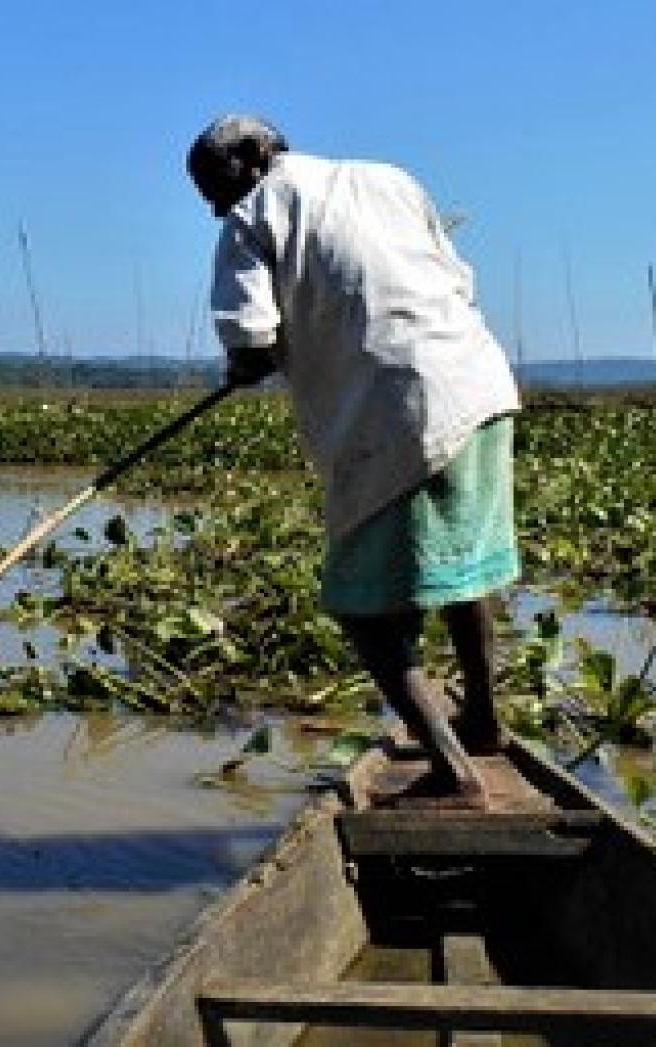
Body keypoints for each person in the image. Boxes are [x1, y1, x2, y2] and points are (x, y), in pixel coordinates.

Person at [187, 114, 522, 808]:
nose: (220, 208)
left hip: (395, 411)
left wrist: (246, 363)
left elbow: (249, 333)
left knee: (361, 610)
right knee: (462, 571)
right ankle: (484, 721)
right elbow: (458, 278)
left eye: (218, 190)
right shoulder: (389, 179)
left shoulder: (255, 213)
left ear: (253, 156)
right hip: (481, 386)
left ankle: (457, 773)